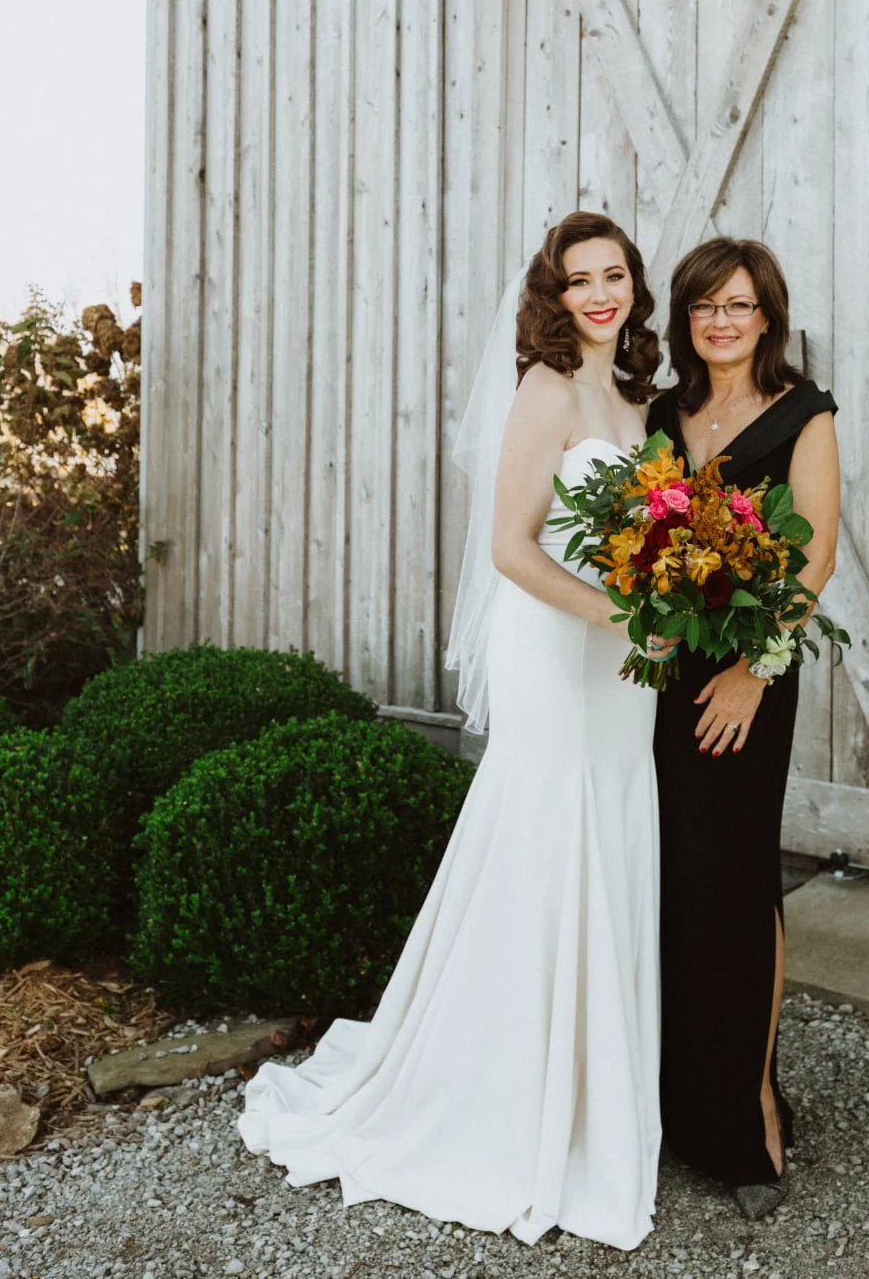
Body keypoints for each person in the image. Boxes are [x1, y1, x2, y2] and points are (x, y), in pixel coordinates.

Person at [238, 212, 674, 1250]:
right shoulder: (547, 386)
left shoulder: (635, 394)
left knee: (608, 828)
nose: (602, 294)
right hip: (556, 646)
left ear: (633, 286)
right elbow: (512, 550)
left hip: (622, 662)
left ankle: (596, 1090)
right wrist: (621, 613)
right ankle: (507, 1097)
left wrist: (658, 606)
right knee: (546, 834)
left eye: (615, 275)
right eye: (582, 280)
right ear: (555, 295)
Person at [648, 237, 840, 1219]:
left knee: (733, 881)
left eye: (739, 305)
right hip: (659, 678)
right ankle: (677, 1105)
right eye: (704, 307)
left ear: (768, 314)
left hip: (745, 679)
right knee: (669, 881)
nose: (721, 322)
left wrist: (754, 675)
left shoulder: (804, 412)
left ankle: (751, 1103)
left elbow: (812, 559)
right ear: (686, 320)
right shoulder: (662, 416)